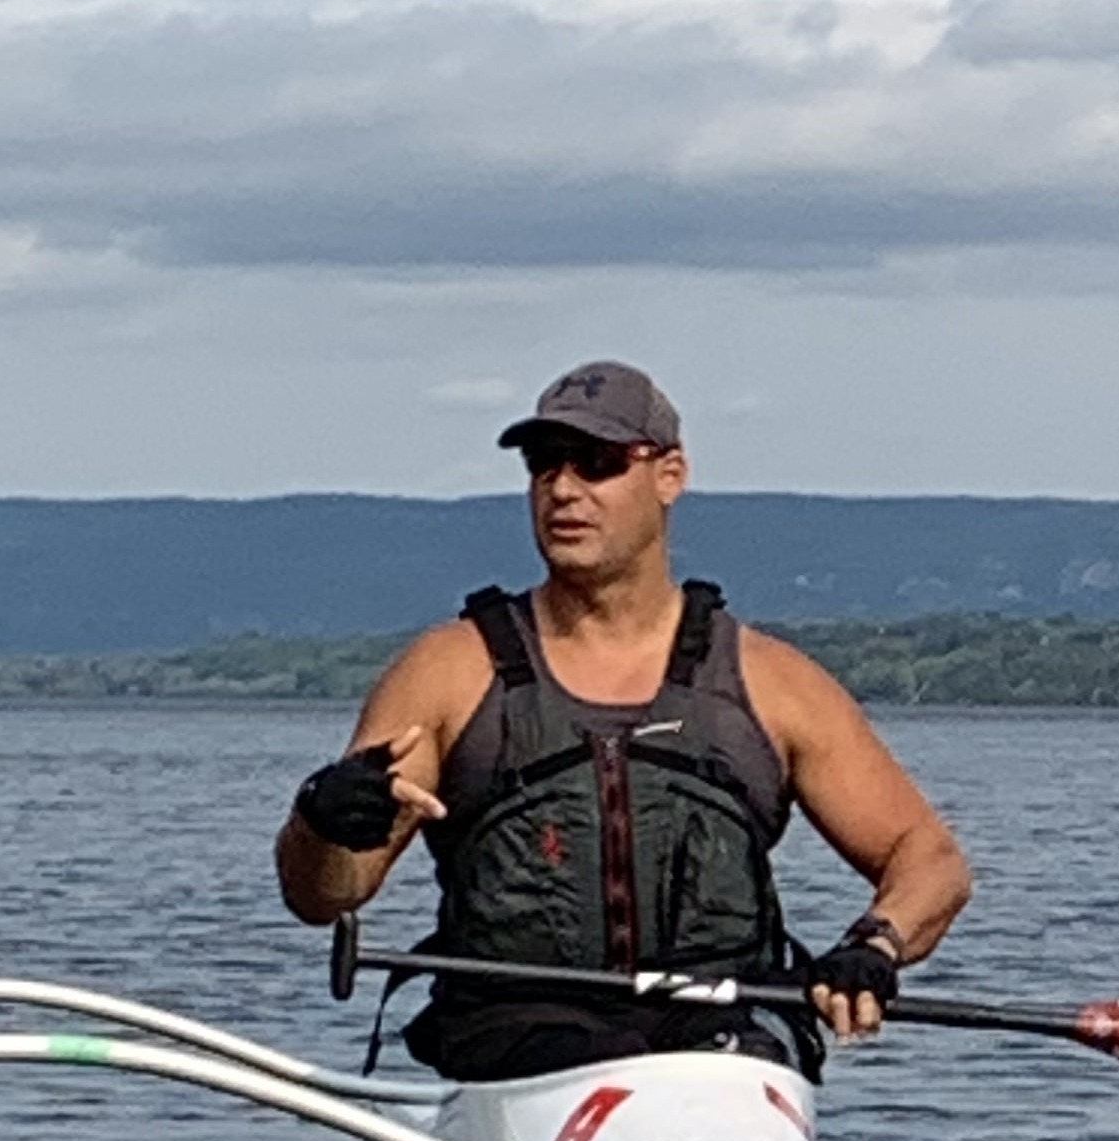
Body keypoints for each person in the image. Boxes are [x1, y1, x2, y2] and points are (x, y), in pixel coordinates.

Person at [274, 359, 971, 1081]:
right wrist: (319, 821)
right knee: (577, 1056)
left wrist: (877, 944)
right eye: (544, 464)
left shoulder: (772, 683)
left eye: (598, 463)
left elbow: (930, 856)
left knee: (733, 1059)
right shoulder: (450, 671)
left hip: (723, 1043)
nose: (564, 489)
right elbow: (324, 894)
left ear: (669, 475)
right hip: (517, 1052)